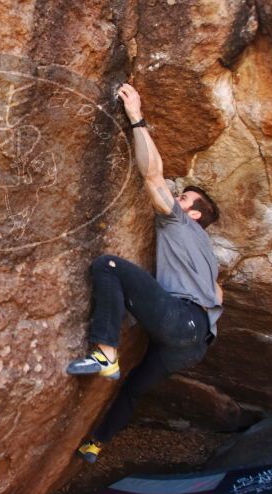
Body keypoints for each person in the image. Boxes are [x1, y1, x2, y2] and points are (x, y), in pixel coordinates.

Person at [65, 83, 223, 463]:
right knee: (133, 389)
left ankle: (105, 353)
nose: (176, 197)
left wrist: (136, 115)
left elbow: (153, 176)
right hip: (192, 345)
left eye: (184, 197)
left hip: (180, 322)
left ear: (194, 213)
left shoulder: (180, 224)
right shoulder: (209, 255)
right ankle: (95, 444)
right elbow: (218, 296)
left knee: (109, 266)